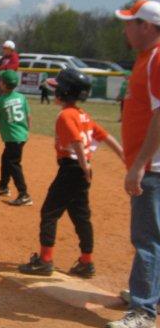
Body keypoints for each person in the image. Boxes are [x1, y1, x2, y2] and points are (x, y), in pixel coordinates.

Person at [18, 69, 124, 278]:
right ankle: (86, 262)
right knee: (81, 216)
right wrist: (122, 154)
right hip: (82, 172)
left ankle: (45, 261)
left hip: (72, 170)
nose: (54, 91)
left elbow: (76, 142)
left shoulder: (66, 115)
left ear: (64, 92)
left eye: (57, 88)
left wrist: (83, 167)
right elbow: (105, 136)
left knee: (49, 213)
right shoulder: (83, 114)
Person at [107, 0, 160, 328]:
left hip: (154, 166)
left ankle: (143, 308)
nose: (125, 28)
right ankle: (149, 291)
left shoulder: (156, 58)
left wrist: (140, 164)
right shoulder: (146, 58)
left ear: (148, 27)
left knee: (146, 238)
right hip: (152, 163)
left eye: (131, 22)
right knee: (153, 235)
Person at [0, 70, 32, 206]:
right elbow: (28, 116)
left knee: (13, 164)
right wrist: (27, 131)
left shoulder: (0, 101)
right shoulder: (21, 97)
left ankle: (24, 194)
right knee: (6, 159)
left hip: (13, 138)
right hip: (21, 136)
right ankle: (3, 187)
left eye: (1, 81)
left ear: (3, 84)